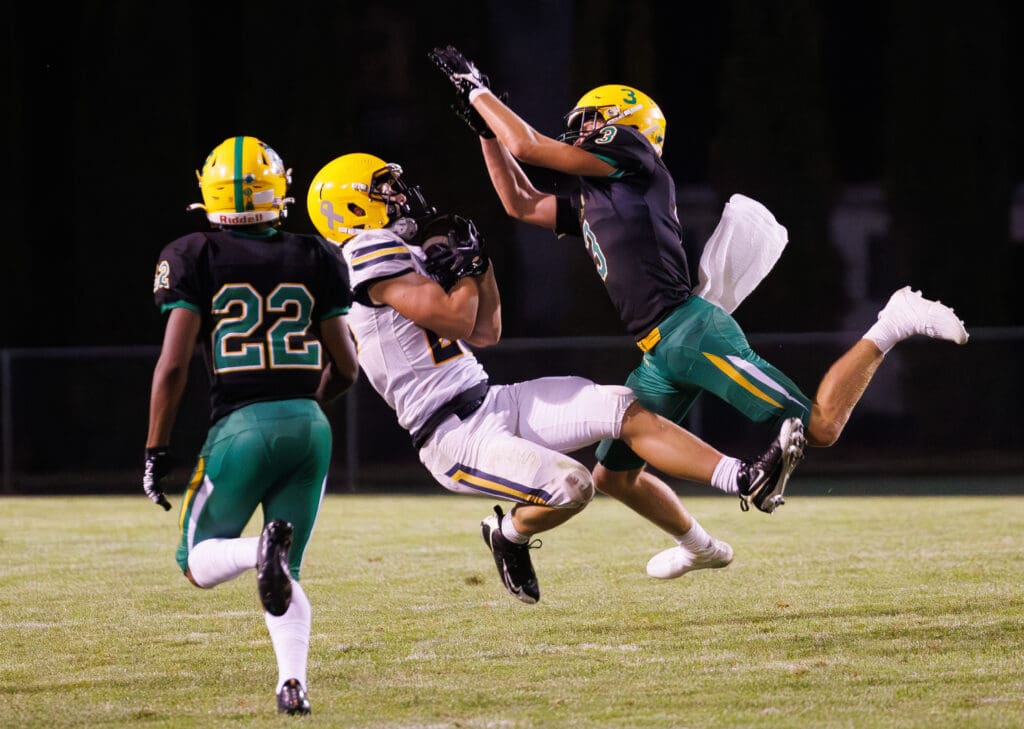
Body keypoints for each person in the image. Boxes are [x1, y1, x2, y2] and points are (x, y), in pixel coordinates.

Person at [428, 45, 970, 579]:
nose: (579, 130)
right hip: (659, 352)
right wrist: (483, 127)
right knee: (614, 476)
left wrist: (480, 94)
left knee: (821, 428)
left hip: (689, 333)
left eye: (589, 120)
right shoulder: (605, 194)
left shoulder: (630, 150)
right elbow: (520, 203)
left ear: (623, 120)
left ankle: (893, 320)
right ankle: (700, 546)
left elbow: (527, 144)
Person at [305, 151, 806, 605]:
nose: (397, 194)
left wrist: (479, 267)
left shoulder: (401, 252)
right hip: (452, 435)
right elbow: (454, 320)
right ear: (352, 208)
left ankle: (744, 478)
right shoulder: (363, 250)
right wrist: (462, 270)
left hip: (490, 399)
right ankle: (509, 535)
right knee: (573, 485)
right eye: (382, 189)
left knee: (621, 406)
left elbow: (485, 331)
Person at [142, 135, 358, 716]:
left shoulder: (192, 253)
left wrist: (155, 448)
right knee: (284, 573)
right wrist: (304, 409)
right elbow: (347, 367)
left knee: (196, 562)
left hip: (239, 425)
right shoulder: (317, 255)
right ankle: (293, 685)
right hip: (310, 426)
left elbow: (174, 365)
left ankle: (253, 551)